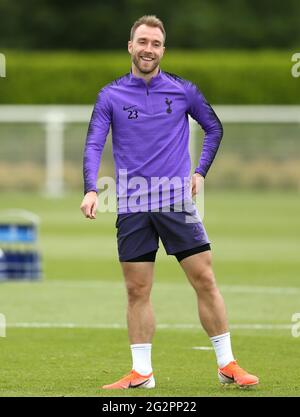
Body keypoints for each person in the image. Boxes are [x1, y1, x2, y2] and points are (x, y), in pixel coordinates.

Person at [80, 15, 259, 390]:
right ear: (130, 46)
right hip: (131, 205)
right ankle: (142, 373)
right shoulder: (110, 95)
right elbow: (95, 142)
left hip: (176, 201)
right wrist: (92, 188)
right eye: (142, 41)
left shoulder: (183, 90)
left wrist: (200, 172)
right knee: (136, 290)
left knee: (205, 279)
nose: (148, 49)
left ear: (163, 49)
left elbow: (214, 127)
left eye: (156, 43)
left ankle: (227, 365)